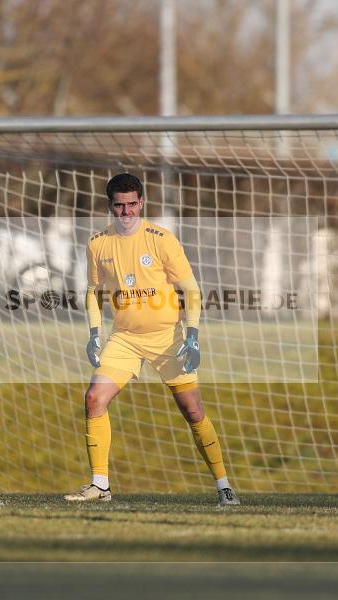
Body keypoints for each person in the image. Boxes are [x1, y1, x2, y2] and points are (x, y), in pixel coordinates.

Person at [64, 173, 240, 506]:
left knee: (193, 411)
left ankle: (224, 486)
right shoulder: (97, 243)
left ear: (142, 202)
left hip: (167, 337)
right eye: (119, 206)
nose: (126, 212)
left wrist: (193, 334)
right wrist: (93, 332)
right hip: (125, 339)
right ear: (110, 206)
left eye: (132, 204)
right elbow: (92, 291)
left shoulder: (161, 239)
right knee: (93, 399)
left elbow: (191, 289)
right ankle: (100, 485)